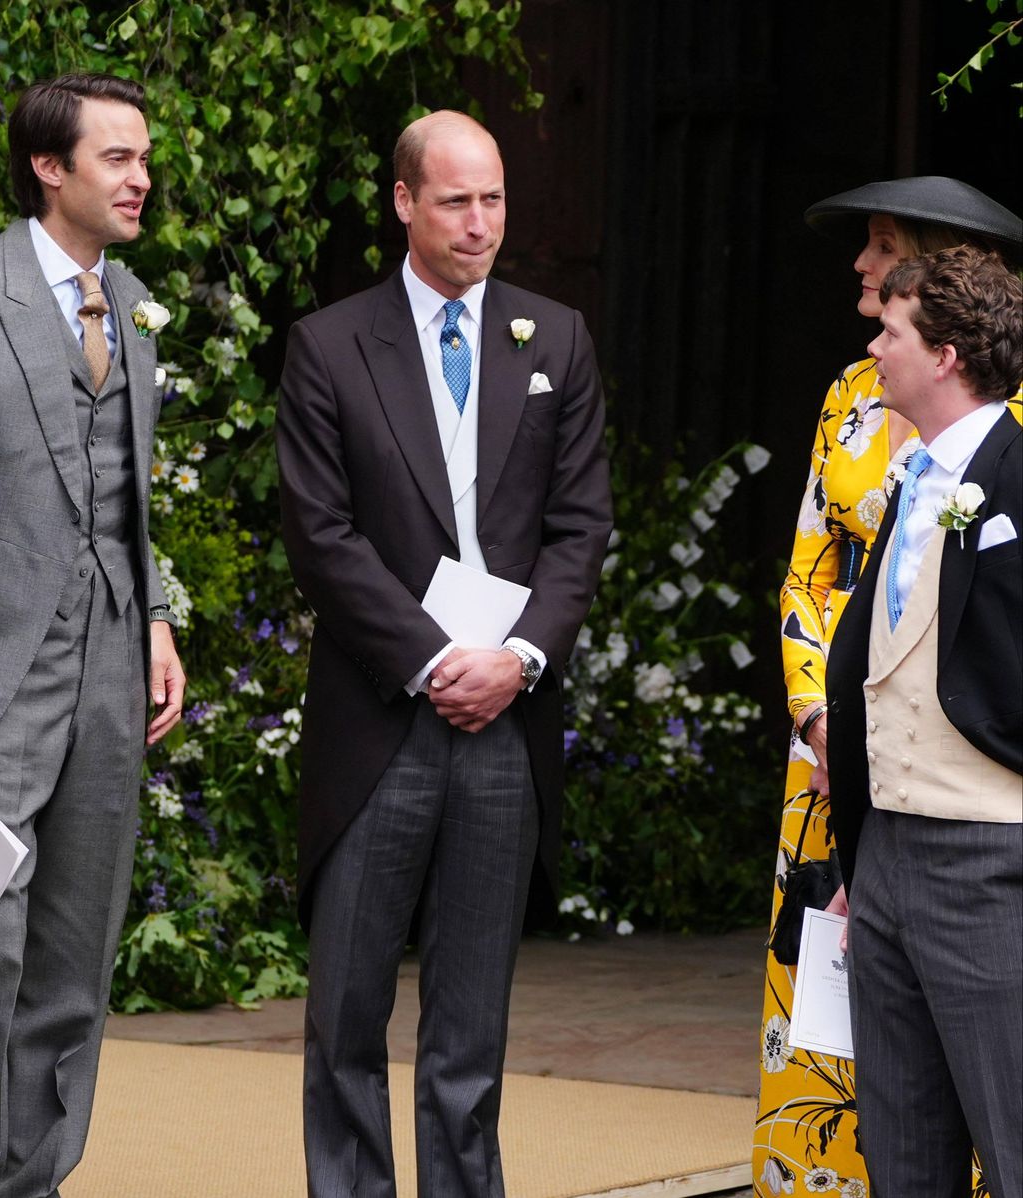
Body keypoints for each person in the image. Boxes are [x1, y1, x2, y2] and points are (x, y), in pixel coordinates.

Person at [276, 110, 612, 1197]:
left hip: (506, 720)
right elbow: (320, 535)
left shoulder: (553, 337)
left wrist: (516, 656)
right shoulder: (330, 344)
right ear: (403, 202)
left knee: (472, 1030)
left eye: (496, 199)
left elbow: (580, 527)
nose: (481, 223)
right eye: (458, 200)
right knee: (346, 1022)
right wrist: (432, 660)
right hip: (381, 721)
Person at [753, 177, 1022, 1195]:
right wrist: (819, 711)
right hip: (856, 782)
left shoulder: (1008, 432)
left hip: (980, 819)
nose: (862, 273)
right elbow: (813, 569)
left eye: (880, 250)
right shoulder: (851, 398)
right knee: (882, 1098)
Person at [0, 74, 185, 1197]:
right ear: (49, 167)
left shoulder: (134, 307)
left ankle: (36, 1177)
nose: (141, 179)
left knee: (74, 948)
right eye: (117, 158)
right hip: (5, 665)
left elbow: (127, 500)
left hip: (110, 665)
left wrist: (156, 618)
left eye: (145, 158)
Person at [825, 245, 1021, 1197]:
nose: (874, 345)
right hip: (887, 859)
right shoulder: (908, 480)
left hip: (993, 861)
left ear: (943, 353)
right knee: (902, 1162)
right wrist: (859, 864)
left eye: (890, 331)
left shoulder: (1018, 475)